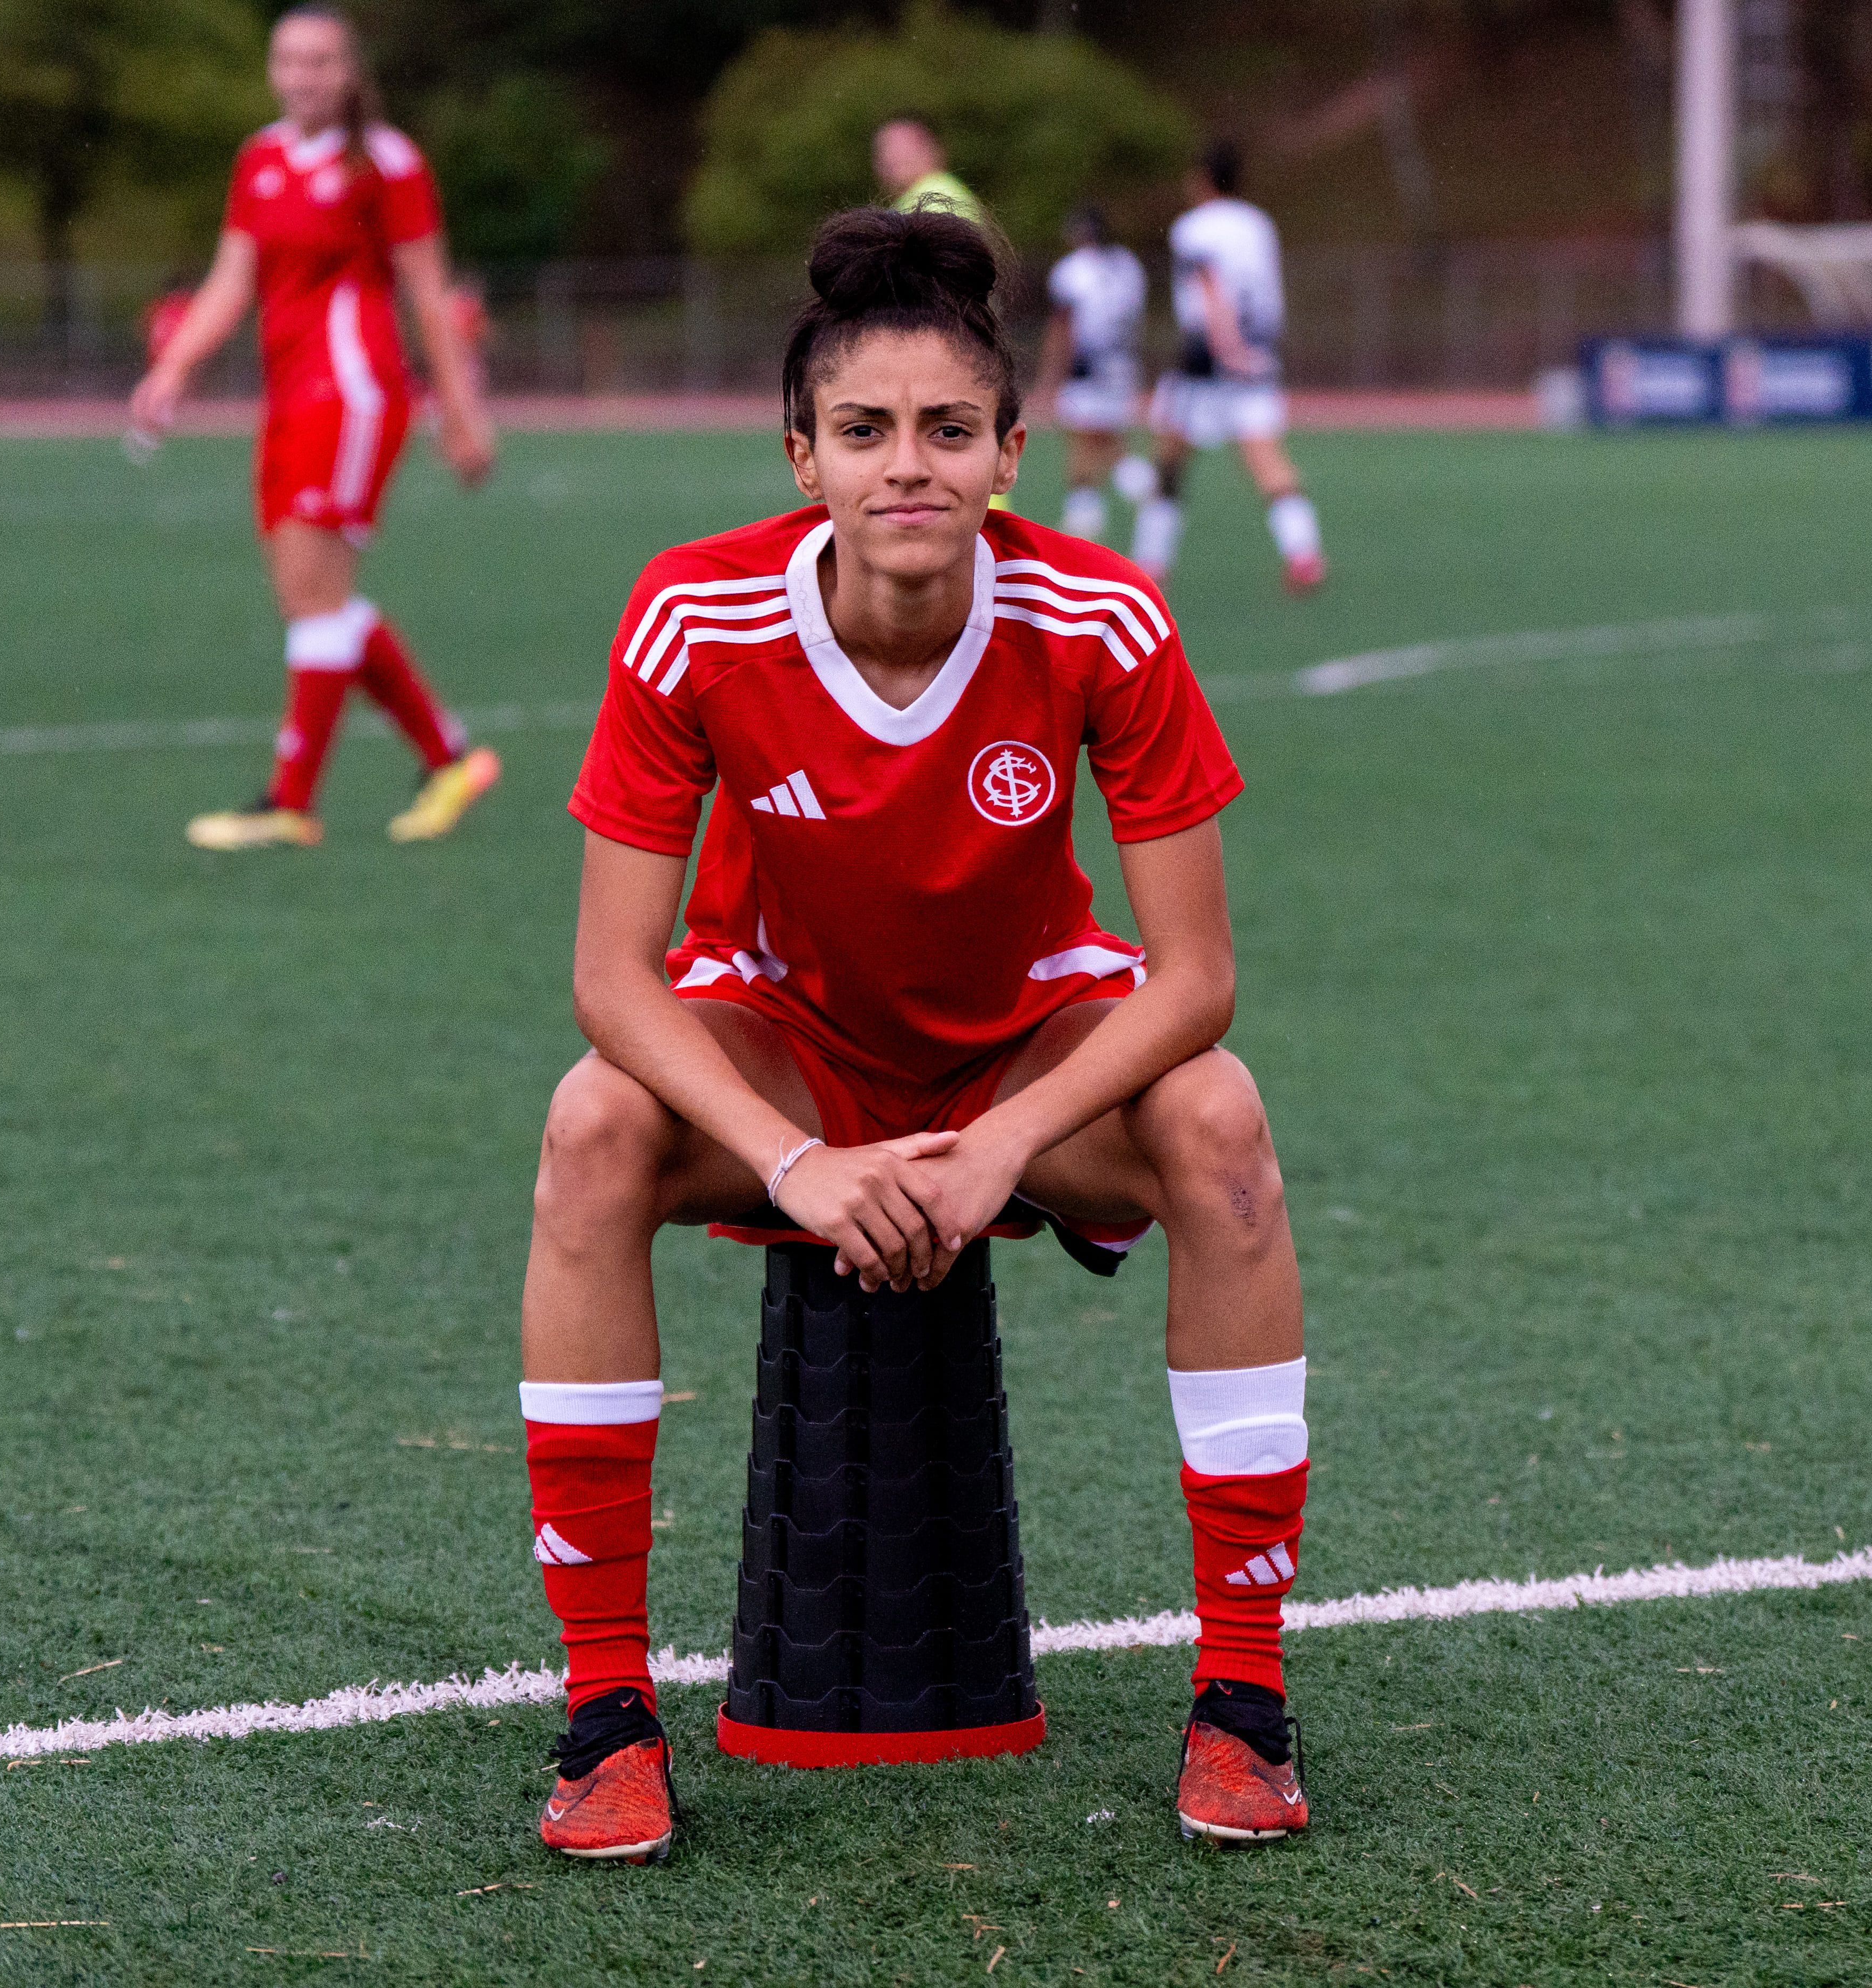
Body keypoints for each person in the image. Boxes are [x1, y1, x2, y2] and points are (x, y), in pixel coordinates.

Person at [524, 206, 1313, 1863]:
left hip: (1027, 1055)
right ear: (800, 453)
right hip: (788, 1056)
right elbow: (614, 974)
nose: (909, 467)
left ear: (1011, 452)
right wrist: (793, 1160)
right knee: (589, 1122)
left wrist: (1007, 1143)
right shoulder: (692, 614)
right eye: (866, 431)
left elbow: (1192, 976)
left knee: (1223, 1118)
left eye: (950, 430)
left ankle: (1242, 1697)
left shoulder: (1100, 617)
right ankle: (605, 1715)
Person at [131, 3, 502, 852]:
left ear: (350, 71)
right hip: (289, 397)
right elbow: (232, 278)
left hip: (355, 396)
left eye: (320, 61)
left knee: (313, 595)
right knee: (314, 597)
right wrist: (175, 365)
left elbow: (429, 295)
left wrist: (460, 414)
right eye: (289, 60)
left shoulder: (388, 162)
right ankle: (449, 759)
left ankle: (290, 799)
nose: (303, 76)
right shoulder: (259, 159)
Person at [1135, 141, 1323, 593]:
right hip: (1258, 351)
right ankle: (1304, 552)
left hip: (1210, 356)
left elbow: (1212, 287)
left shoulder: (1195, 227)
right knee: (1265, 457)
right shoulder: (1259, 224)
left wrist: (1227, 347)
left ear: (1202, 178)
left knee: (1170, 462)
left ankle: (1149, 564)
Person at [1036, 205, 1157, 544]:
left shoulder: (1073, 270)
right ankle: (1099, 503)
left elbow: (1064, 328)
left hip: (1087, 367)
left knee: (1084, 438)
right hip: (1122, 362)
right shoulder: (1127, 265)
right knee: (1102, 436)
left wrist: (1050, 377)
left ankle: (1096, 507)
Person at [872, 114, 989, 231]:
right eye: (884, 149)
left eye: (903, 148)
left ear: (933, 150)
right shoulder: (924, 193)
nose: (890, 157)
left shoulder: (936, 195)